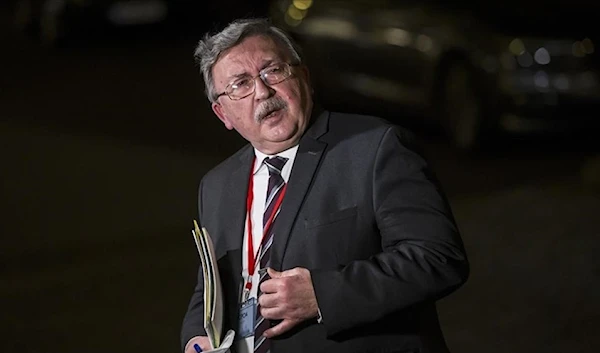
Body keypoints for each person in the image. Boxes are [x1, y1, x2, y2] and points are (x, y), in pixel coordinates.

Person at [181, 18, 469, 353]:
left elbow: (438, 257)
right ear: (223, 114)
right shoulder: (216, 185)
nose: (262, 91)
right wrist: (195, 339)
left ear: (303, 76)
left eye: (272, 70)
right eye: (240, 84)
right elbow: (211, 289)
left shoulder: (375, 147)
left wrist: (323, 295)